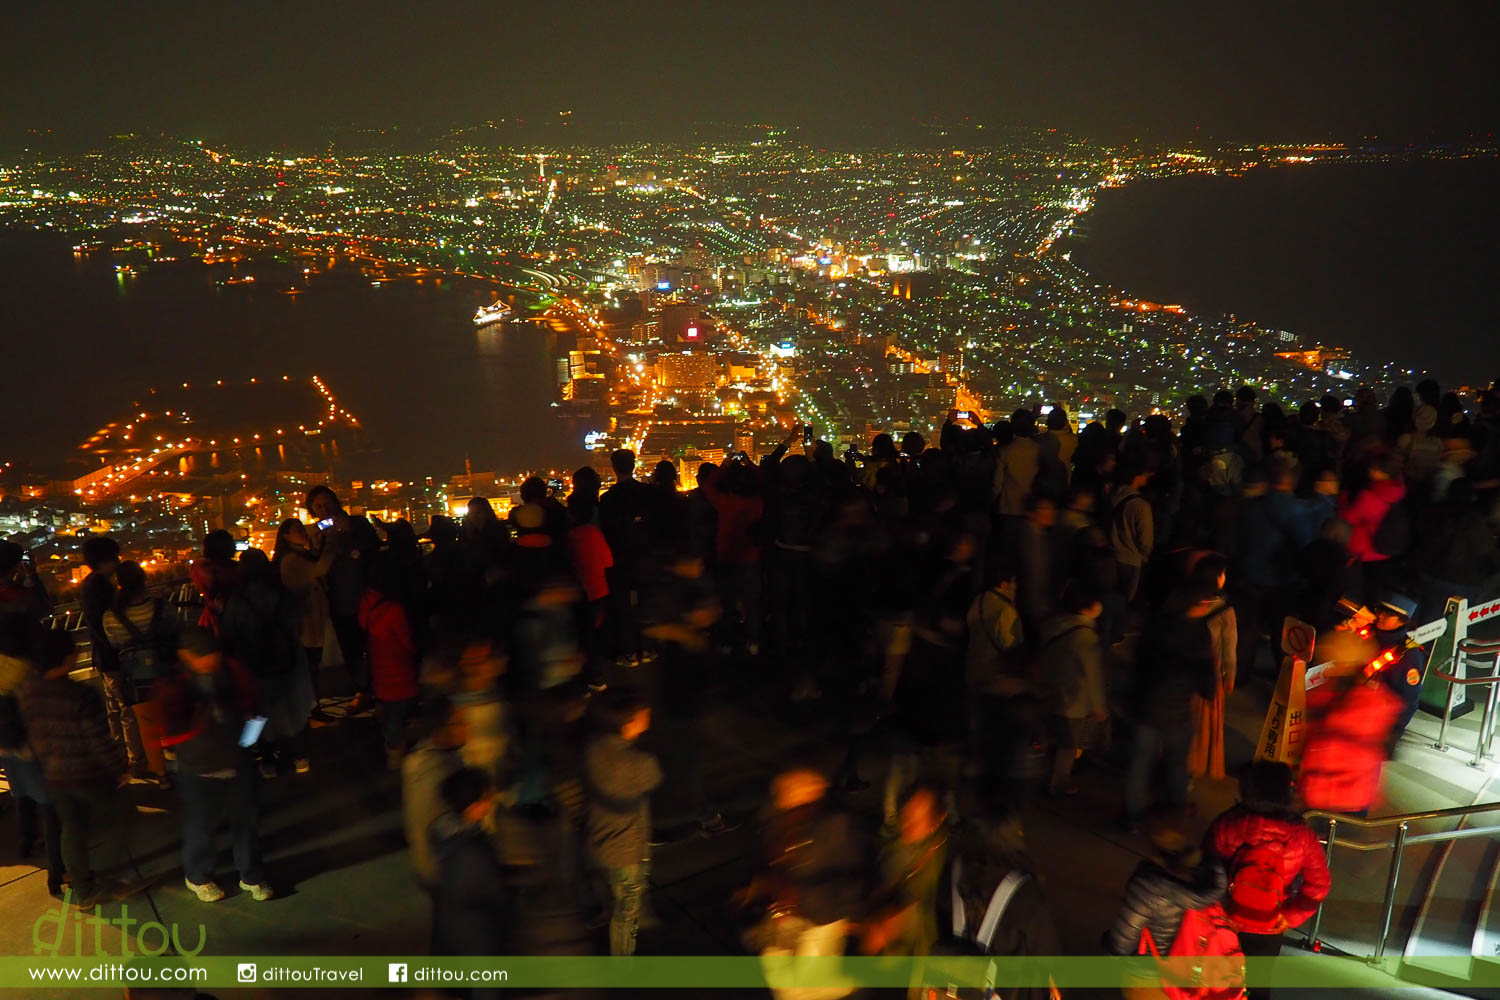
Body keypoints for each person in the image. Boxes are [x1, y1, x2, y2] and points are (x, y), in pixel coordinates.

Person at [16, 627, 131, 908]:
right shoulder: (79, 695)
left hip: (54, 775)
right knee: (121, 819)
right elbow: (98, 740)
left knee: (72, 828)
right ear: (65, 658)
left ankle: (84, 888)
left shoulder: (29, 692)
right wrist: (119, 768)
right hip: (88, 773)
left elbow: (31, 734)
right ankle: (109, 878)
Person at [157, 626, 272, 902]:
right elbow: (169, 731)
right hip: (198, 769)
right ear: (185, 655)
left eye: (213, 654)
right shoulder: (174, 683)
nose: (209, 660)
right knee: (201, 826)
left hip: (238, 763)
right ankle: (198, 876)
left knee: (246, 822)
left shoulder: (233, 671)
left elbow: (255, 708)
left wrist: (249, 746)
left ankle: (251, 875)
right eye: (201, 656)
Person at [1205, 761, 1331, 995]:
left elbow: (1208, 872)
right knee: (1259, 983)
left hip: (1228, 919)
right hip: (1270, 922)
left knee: (1220, 981)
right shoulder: (1302, 835)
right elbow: (1319, 883)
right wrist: (1291, 915)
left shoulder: (1227, 823)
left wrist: (1219, 909)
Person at [743, 768, 865, 1000]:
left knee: (795, 991)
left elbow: (850, 876)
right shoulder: (776, 820)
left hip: (824, 916)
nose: (787, 795)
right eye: (785, 789)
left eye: (799, 787)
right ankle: (844, 984)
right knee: (775, 966)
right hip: (789, 914)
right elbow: (768, 859)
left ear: (818, 788)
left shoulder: (836, 824)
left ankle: (849, 985)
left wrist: (850, 916)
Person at [1107, 806, 1233, 1000]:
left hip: (1154, 978)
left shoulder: (1148, 885)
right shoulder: (1213, 874)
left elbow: (1122, 943)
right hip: (1196, 976)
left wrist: (1108, 941)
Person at [1124, 583, 1219, 829]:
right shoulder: (1197, 635)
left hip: (1145, 706)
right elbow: (1205, 682)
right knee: (1177, 764)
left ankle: (1132, 817)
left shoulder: (1154, 626)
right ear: (1193, 606)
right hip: (1177, 711)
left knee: (1139, 766)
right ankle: (1174, 810)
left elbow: (1137, 664)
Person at [221, 549, 311, 776]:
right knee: (291, 709)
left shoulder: (237, 600)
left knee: (256, 713)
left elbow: (229, 635)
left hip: (253, 666)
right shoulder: (283, 594)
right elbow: (296, 625)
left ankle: (263, 758)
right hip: (285, 661)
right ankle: (300, 756)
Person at [584, 692, 661, 955]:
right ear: (628, 723)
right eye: (642, 714)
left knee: (608, 893)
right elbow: (652, 780)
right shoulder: (640, 762)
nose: (647, 716)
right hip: (626, 848)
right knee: (627, 910)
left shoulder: (593, 747)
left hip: (597, 836)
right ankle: (623, 961)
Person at [0, 615, 65, 895]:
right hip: (31, 749)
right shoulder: (28, 671)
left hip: (6, 747)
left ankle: (26, 842)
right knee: (51, 810)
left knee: (21, 796)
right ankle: (57, 870)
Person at [430, 767, 510, 988]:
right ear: (472, 805)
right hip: (477, 936)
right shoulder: (471, 850)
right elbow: (491, 894)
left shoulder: (447, 836)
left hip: (456, 930)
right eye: (487, 798)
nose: (491, 802)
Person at [305, 485, 380, 709]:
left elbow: (373, 548)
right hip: (338, 601)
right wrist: (318, 544)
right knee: (351, 648)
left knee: (375, 644)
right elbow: (316, 567)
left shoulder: (358, 524)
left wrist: (349, 535)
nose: (324, 509)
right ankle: (362, 689)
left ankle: (380, 686)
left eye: (327, 503)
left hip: (365, 596)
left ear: (336, 502)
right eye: (318, 506)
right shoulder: (318, 534)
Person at [102, 560, 177, 782]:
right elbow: (177, 632)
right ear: (144, 580)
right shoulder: (163, 607)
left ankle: (161, 775)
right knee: (174, 719)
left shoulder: (110, 616)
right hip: (167, 674)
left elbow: (115, 645)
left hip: (136, 682)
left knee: (148, 727)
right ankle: (186, 766)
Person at [80, 537, 143, 774]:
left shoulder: (90, 585)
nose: (117, 562)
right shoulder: (102, 589)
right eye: (114, 558)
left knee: (115, 710)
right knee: (127, 710)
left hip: (103, 658)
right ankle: (136, 761)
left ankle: (119, 758)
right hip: (114, 657)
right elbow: (109, 626)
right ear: (103, 561)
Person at [867, 785, 951, 958]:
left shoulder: (943, 857)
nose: (908, 825)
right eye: (907, 816)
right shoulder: (897, 845)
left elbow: (925, 904)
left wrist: (891, 926)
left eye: (918, 820)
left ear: (935, 823)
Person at [1039, 584, 1106, 797]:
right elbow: (1093, 674)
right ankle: (1058, 785)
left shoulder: (1054, 624)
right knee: (1067, 746)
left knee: (1050, 738)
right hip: (1073, 699)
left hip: (1048, 691)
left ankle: (1041, 775)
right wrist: (1098, 705)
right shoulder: (1086, 636)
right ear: (1088, 607)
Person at [359, 552, 421, 770]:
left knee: (390, 711)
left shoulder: (367, 601)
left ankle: (393, 749)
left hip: (379, 667)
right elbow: (407, 642)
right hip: (401, 669)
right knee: (401, 711)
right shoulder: (395, 610)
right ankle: (399, 750)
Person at [402, 702, 469, 892]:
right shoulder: (445, 771)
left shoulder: (416, 760)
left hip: (426, 866)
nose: (467, 727)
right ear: (440, 730)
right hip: (446, 872)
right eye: (459, 723)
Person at [273, 517, 336, 717]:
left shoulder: (299, 555)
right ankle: (311, 708)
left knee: (310, 667)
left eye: (302, 528)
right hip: (306, 621)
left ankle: (311, 707)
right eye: (297, 529)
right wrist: (331, 545)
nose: (302, 532)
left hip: (309, 619)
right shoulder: (292, 559)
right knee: (309, 667)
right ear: (285, 536)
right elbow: (320, 569)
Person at [1186, 554, 1238, 782]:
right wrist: (1230, 675)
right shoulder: (1224, 610)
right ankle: (1194, 767)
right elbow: (1229, 648)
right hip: (1209, 672)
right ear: (1217, 578)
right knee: (1202, 723)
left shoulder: (1181, 600)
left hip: (1181, 669)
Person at [1109, 459, 1156, 603]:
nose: (1147, 477)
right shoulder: (1140, 506)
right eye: (1144, 474)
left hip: (1110, 555)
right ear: (1136, 477)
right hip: (1130, 558)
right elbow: (1145, 540)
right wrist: (1145, 555)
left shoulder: (1112, 495)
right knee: (1125, 601)